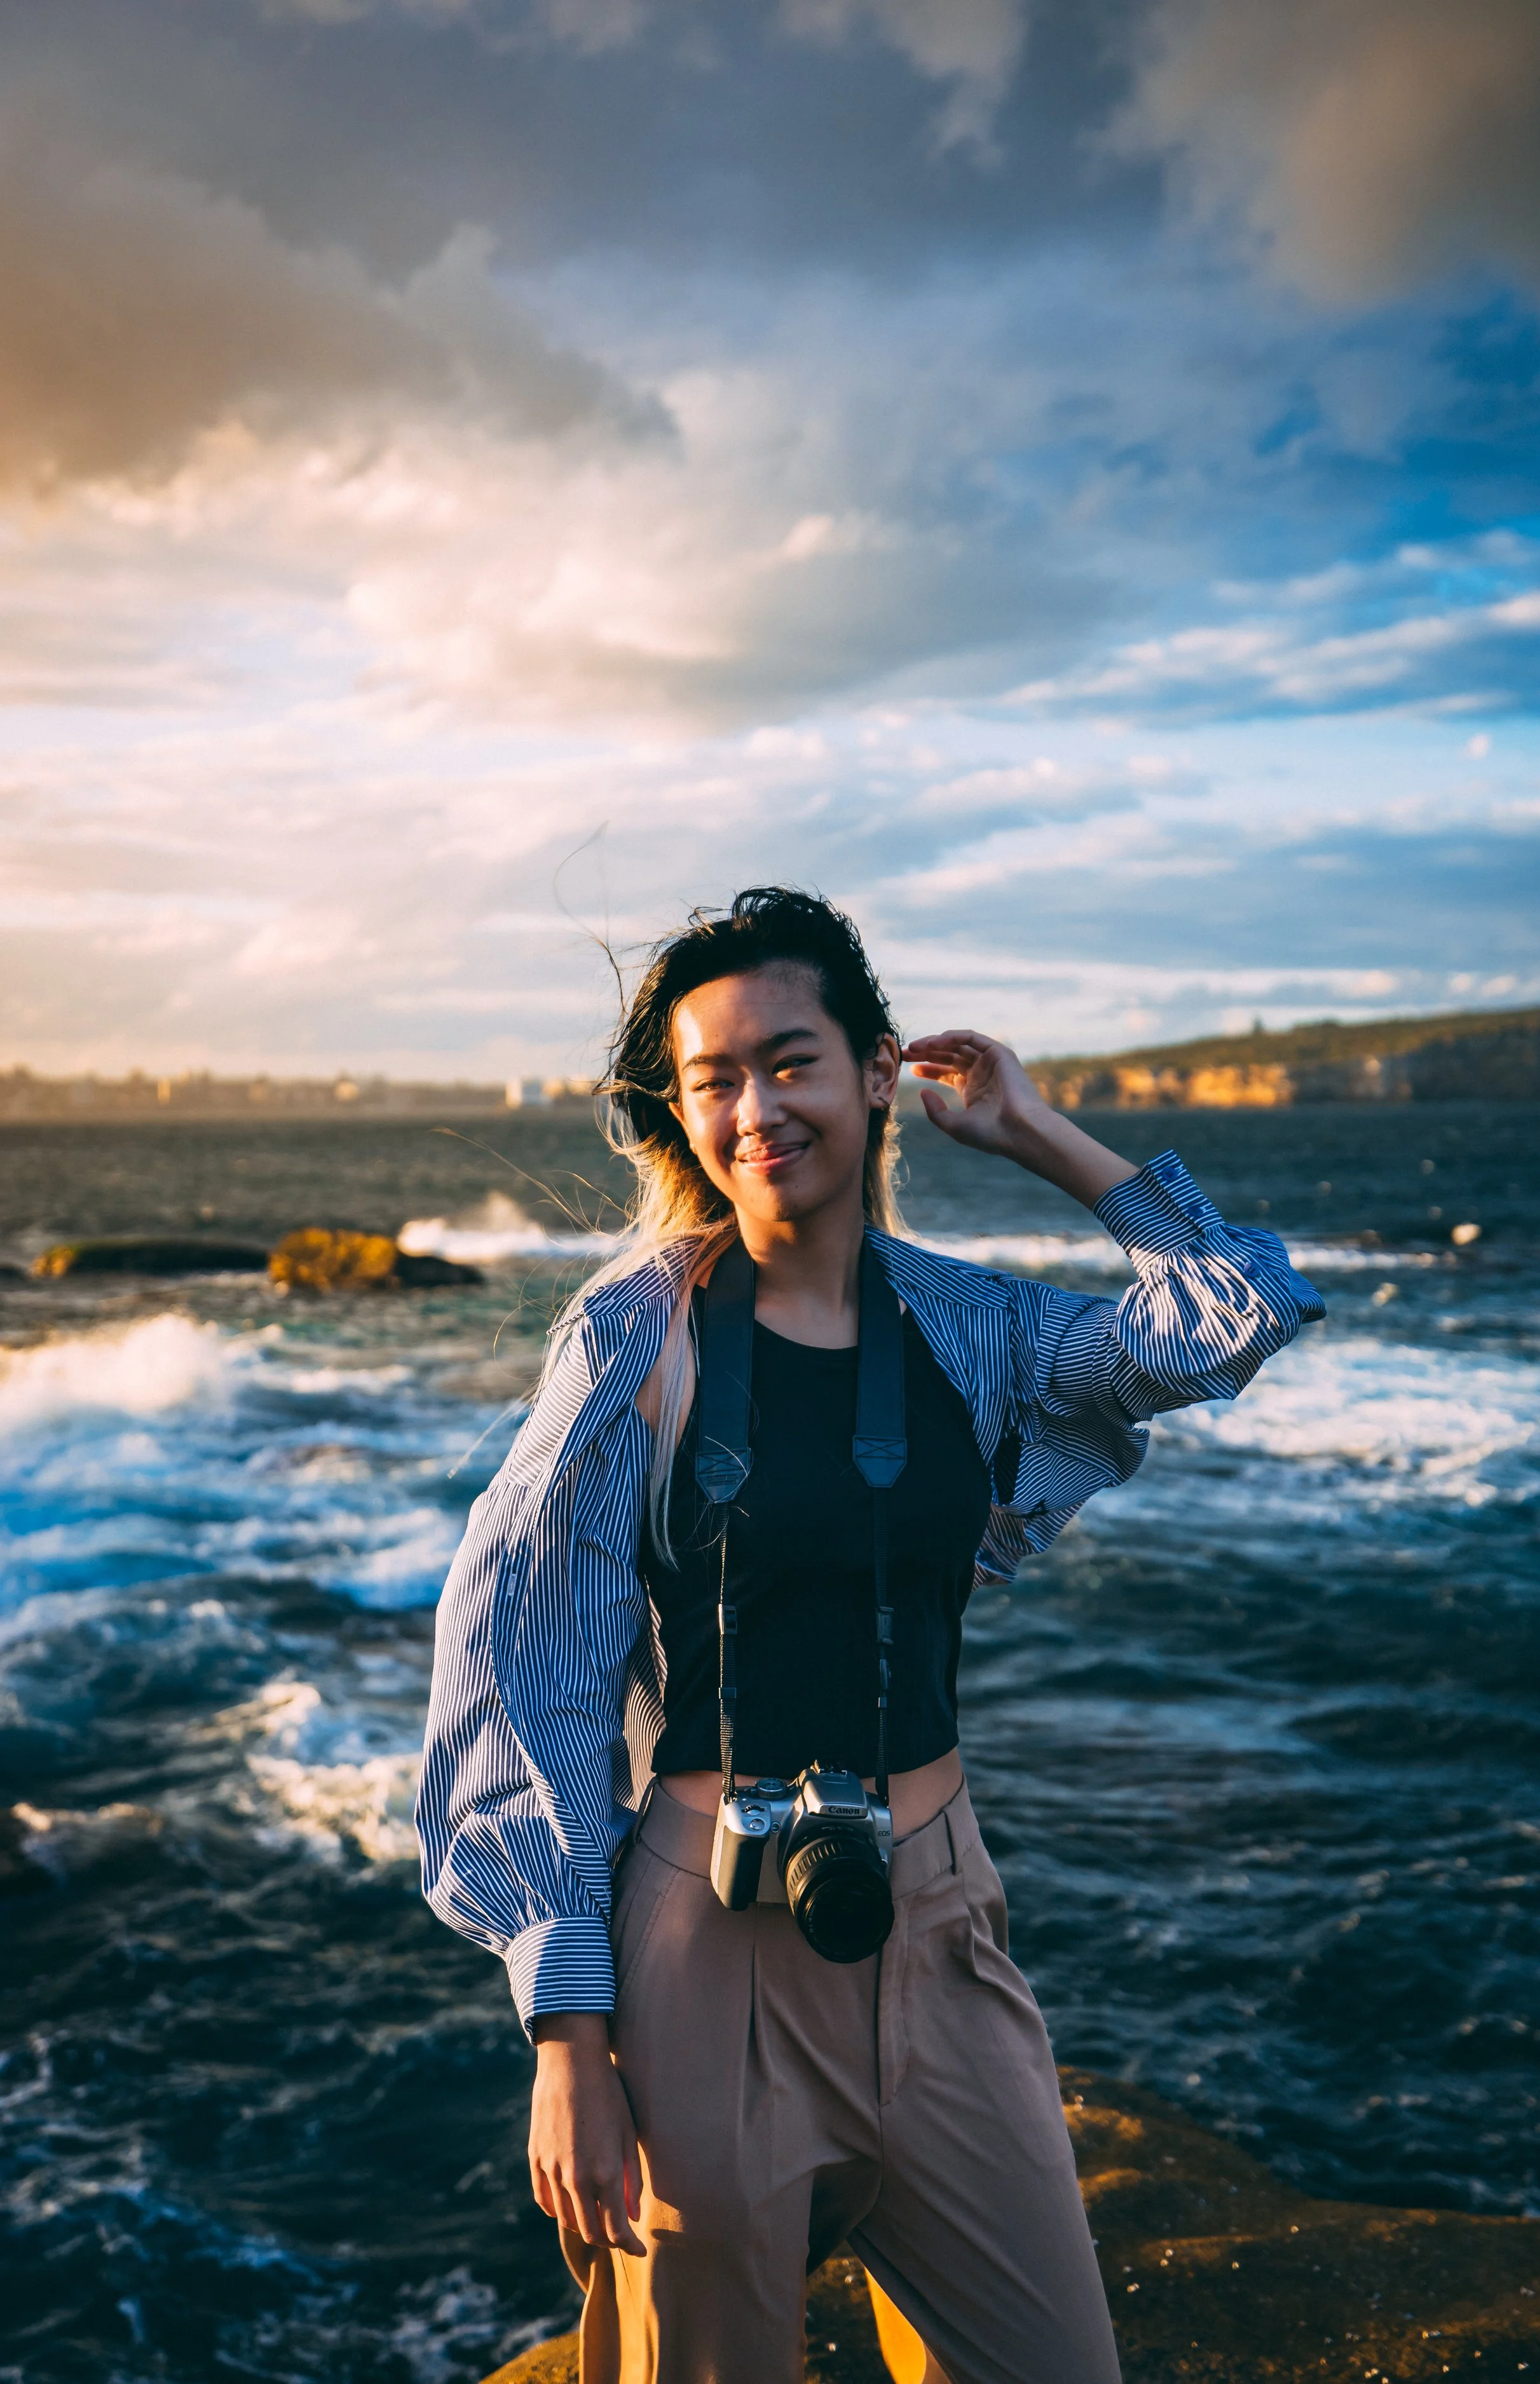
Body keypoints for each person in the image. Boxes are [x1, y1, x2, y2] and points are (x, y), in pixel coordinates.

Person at [418, 887, 1324, 2384]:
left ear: (873, 1075)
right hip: (704, 1944)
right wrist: (569, 2041)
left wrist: (1037, 1134)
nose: (755, 1109)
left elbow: (1235, 1313)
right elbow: (533, 1677)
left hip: (937, 1919)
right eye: (713, 1080)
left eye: (793, 1062)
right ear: (678, 1113)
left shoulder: (971, 1332)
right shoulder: (635, 1337)